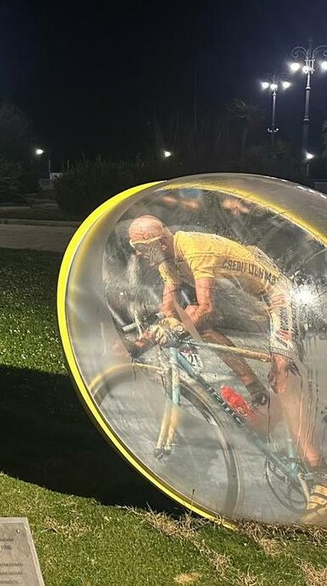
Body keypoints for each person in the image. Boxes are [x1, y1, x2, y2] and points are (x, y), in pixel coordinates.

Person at [125, 214, 327, 519]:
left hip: (278, 297)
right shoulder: (166, 260)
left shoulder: (194, 249)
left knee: (283, 375)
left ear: (161, 242)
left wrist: (176, 328)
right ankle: (257, 392)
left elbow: (207, 308)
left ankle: (319, 476)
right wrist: (138, 346)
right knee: (199, 327)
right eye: (134, 248)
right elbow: (167, 312)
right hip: (251, 300)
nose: (139, 254)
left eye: (142, 248)